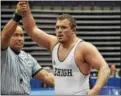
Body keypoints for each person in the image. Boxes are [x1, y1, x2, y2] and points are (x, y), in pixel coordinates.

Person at [16, 1, 110, 95]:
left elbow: (104, 68)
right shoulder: (53, 44)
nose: (59, 31)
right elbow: (31, 30)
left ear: (73, 30)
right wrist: (25, 6)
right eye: (57, 28)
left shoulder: (83, 47)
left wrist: (95, 90)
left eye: (63, 27)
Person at [1, 8, 55, 95]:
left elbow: (46, 76)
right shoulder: (3, 53)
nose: (19, 39)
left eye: (21, 35)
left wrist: (68, 86)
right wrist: (17, 15)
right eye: (15, 35)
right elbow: (4, 36)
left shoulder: (28, 58)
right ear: (9, 37)